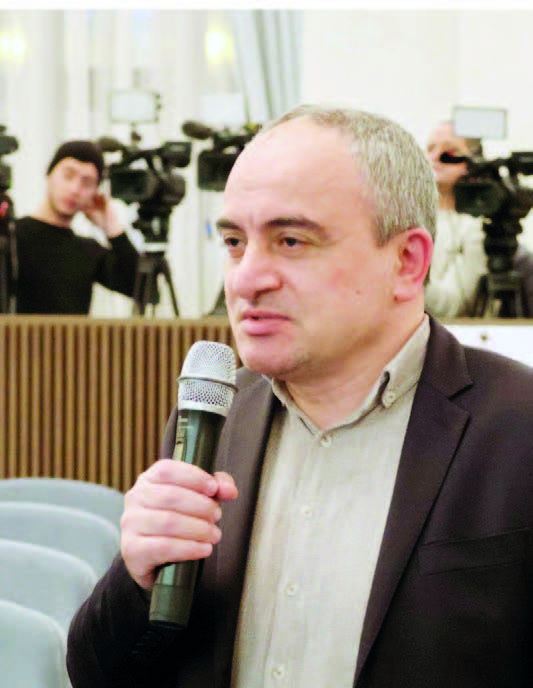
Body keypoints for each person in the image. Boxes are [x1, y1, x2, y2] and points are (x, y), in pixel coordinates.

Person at [66, 105, 533, 687]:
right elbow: (101, 675)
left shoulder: (516, 426)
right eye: (234, 241)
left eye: (291, 240)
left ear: (407, 262)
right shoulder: (216, 419)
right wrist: (136, 581)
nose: (245, 278)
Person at [14, 139, 139, 314]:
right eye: (68, 176)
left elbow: (142, 289)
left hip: (73, 333)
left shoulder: (87, 250)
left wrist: (112, 227)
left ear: (95, 193)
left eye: (87, 183)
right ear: (49, 174)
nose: (75, 189)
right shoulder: (11, 236)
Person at [423, 120, 488, 317]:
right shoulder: (407, 216)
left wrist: (399, 276)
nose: (434, 157)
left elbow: (453, 306)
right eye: (430, 149)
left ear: (472, 163)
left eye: (449, 152)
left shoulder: (478, 228)